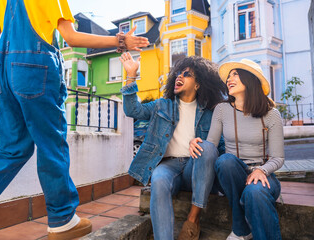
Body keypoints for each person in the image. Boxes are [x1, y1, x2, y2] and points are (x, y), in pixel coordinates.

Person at [0, 1, 149, 240]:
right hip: (33, 69)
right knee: (52, 145)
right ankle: (62, 219)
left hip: (2, 75)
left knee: (12, 150)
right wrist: (120, 41)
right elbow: (70, 37)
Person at [119, 52, 226, 240]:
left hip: (195, 168)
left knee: (208, 147)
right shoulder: (162, 105)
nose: (179, 76)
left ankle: (193, 220)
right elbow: (133, 110)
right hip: (169, 166)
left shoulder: (210, 113)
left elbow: (221, 148)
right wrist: (131, 76)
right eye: (179, 73)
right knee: (158, 179)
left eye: (187, 74)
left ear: (198, 84)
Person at [189, 59, 284, 240]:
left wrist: (261, 170)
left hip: (263, 176)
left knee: (254, 193)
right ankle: (241, 228)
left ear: (250, 80)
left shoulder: (271, 114)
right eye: (229, 75)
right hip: (233, 174)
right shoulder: (222, 110)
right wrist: (195, 143)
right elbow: (211, 146)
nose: (229, 79)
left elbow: (278, 158)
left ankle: (248, 232)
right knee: (224, 161)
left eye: (236, 74)